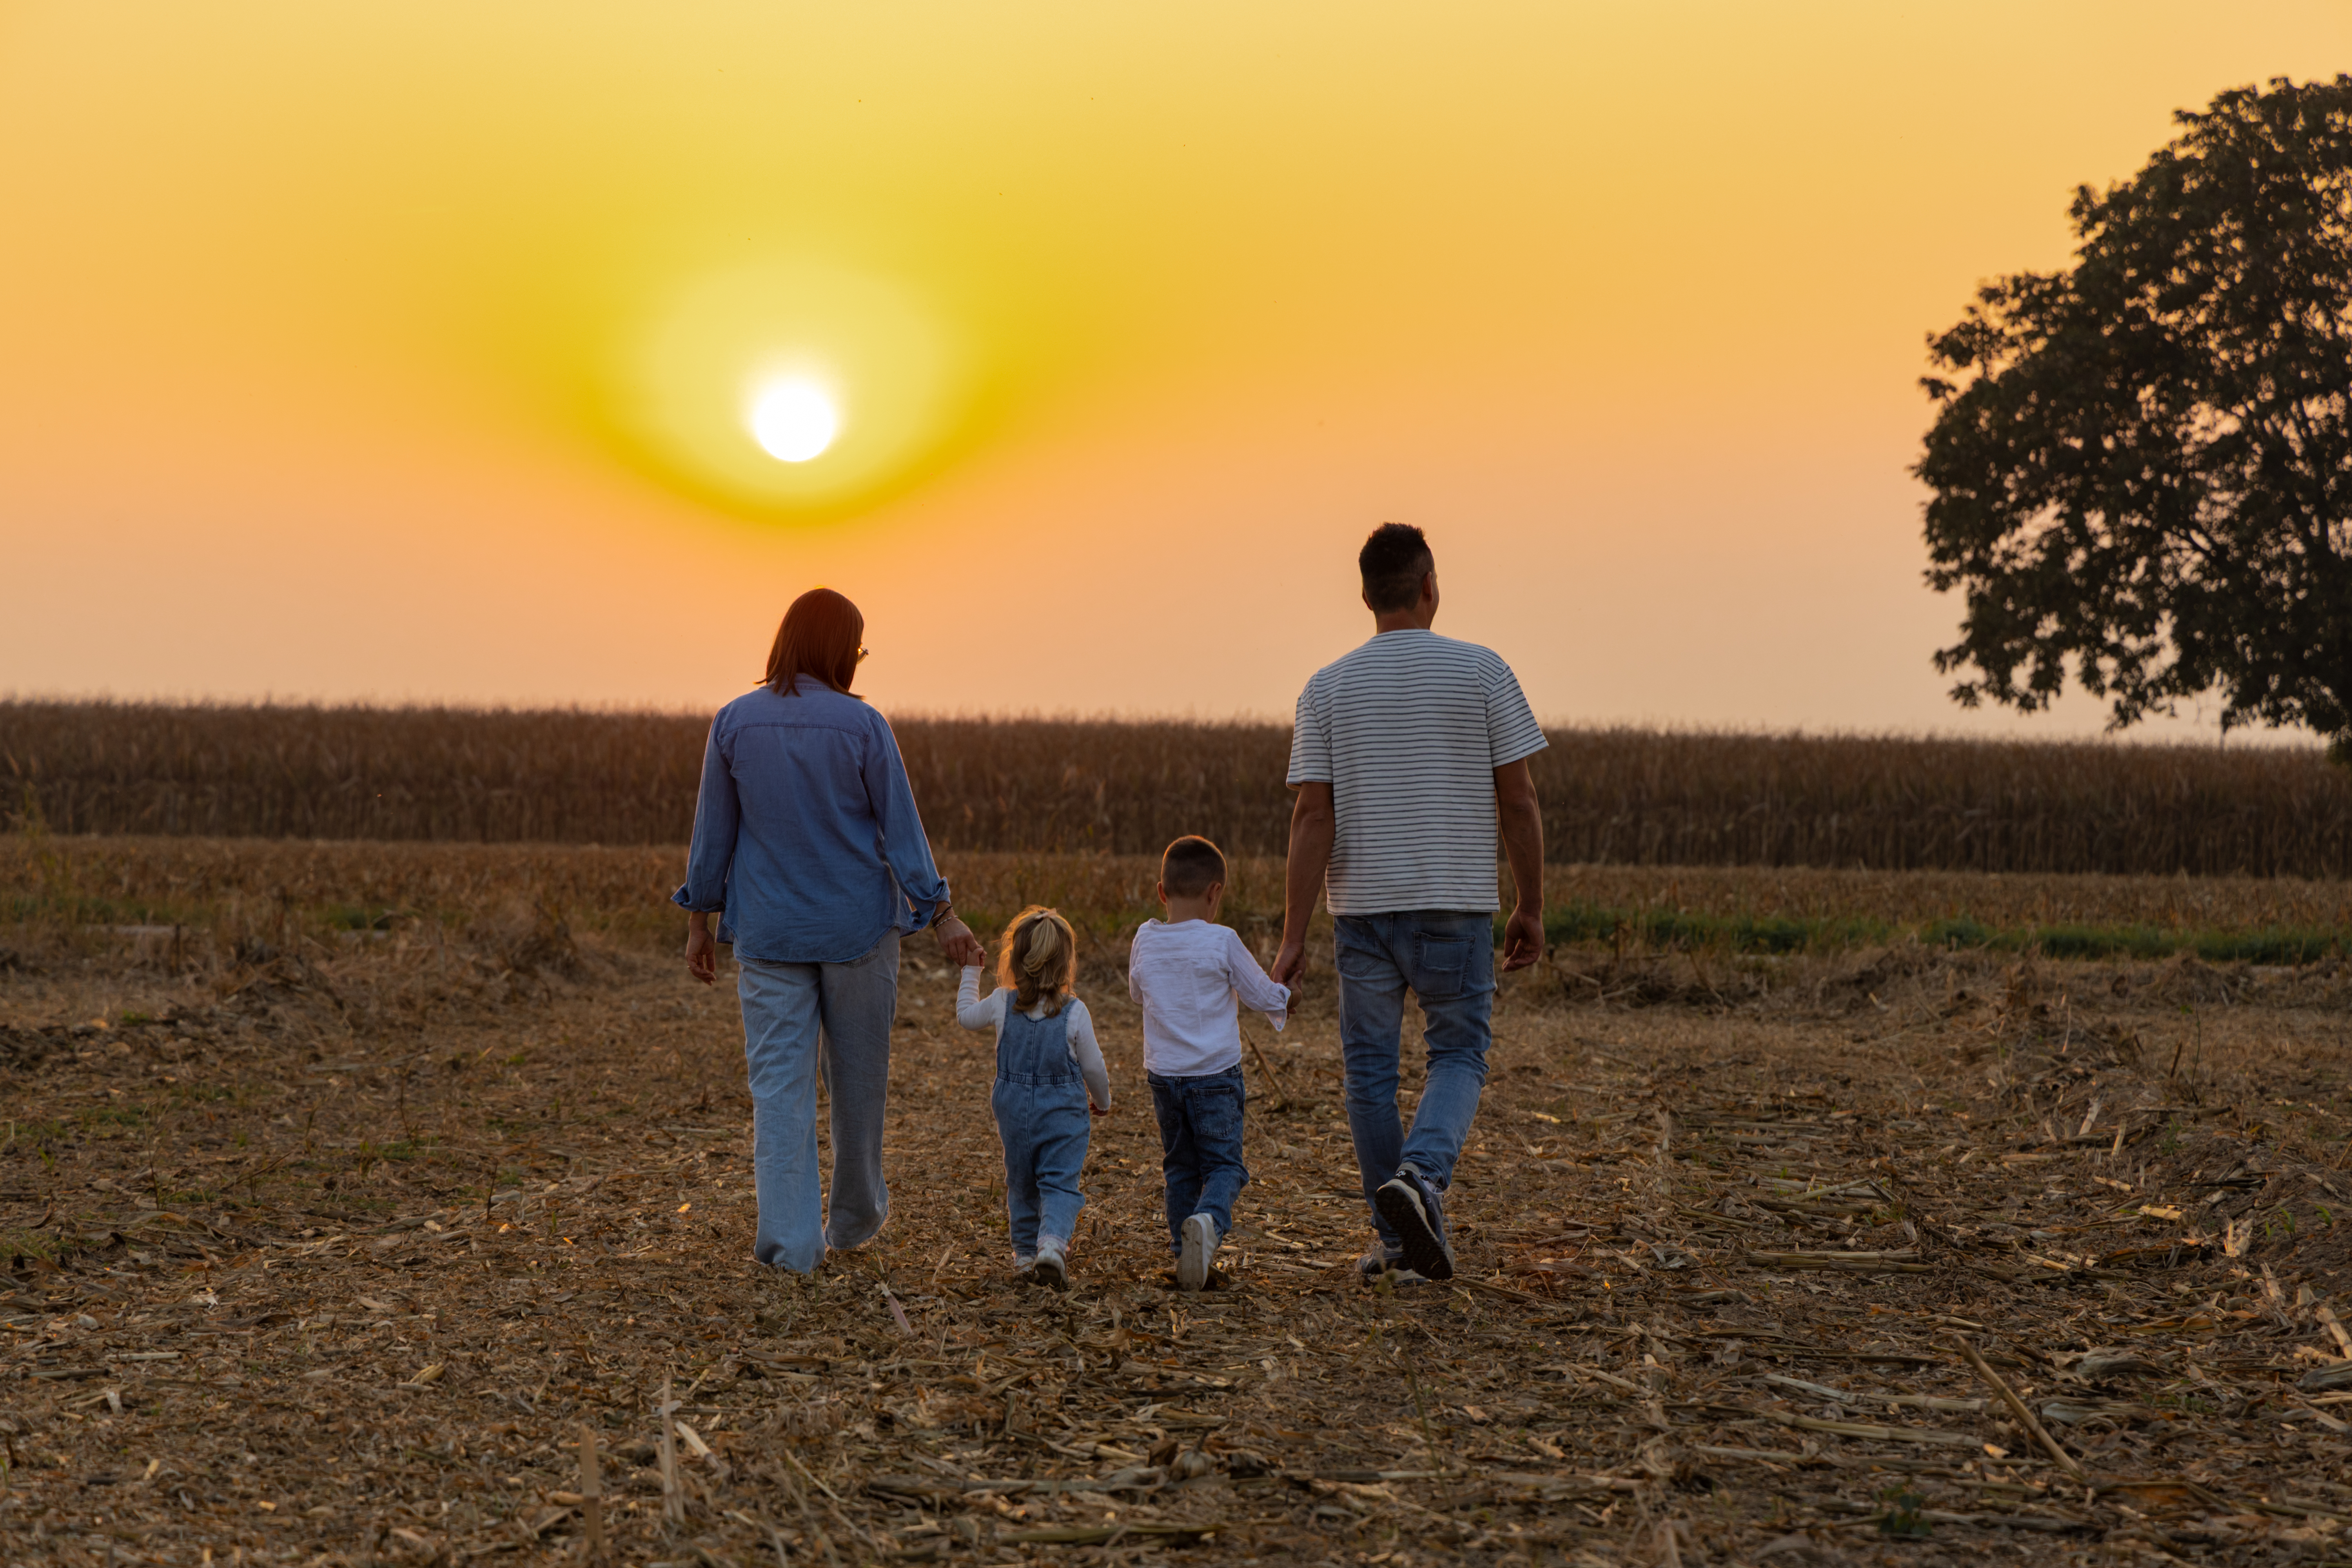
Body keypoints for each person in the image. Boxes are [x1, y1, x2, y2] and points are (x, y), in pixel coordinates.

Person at [675, 587, 986, 1276]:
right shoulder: (863, 726)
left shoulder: (733, 723)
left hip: (769, 933)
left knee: (779, 1095)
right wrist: (942, 913)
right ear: (841, 651)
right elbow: (902, 832)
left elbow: (712, 837)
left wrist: (700, 920)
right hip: (856, 932)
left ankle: (792, 1247)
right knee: (858, 1087)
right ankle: (852, 1223)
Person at [1269, 524, 1547, 1284]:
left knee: (1369, 1073)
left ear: (1365, 595)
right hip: (1455, 904)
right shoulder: (1482, 671)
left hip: (1360, 909)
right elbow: (1518, 799)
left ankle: (1398, 1245)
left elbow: (1310, 817)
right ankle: (1420, 1179)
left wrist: (1292, 935)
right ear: (1430, 585)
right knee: (1458, 1051)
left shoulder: (1326, 687)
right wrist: (1530, 904)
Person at [1128, 835, 1292, 1291]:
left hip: (1164, 1076)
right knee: (1225, 1167)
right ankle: (1208, 1221)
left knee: (1180, 1166)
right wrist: (1286, 996)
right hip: (1216, 1078)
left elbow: (1137, 993)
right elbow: (1261, 994)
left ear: (1162, 892)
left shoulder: (1144, 937)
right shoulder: (1223, 940)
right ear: (1215, 892)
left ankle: (1186, 1258)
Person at [956, 906, 1112, 1290]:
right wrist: (1103, 1100)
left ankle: (1025, 1256)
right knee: (1059, 1183)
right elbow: (1094, 1068)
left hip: (1012, 1110)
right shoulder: (1075, 1013)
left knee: (1021, 1183)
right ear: (1067, 963)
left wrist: (971, 970)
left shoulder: (1000, 1002)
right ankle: (1052, 1247)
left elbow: (964, 1016)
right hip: (1062, 1114)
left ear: (1015, 959)